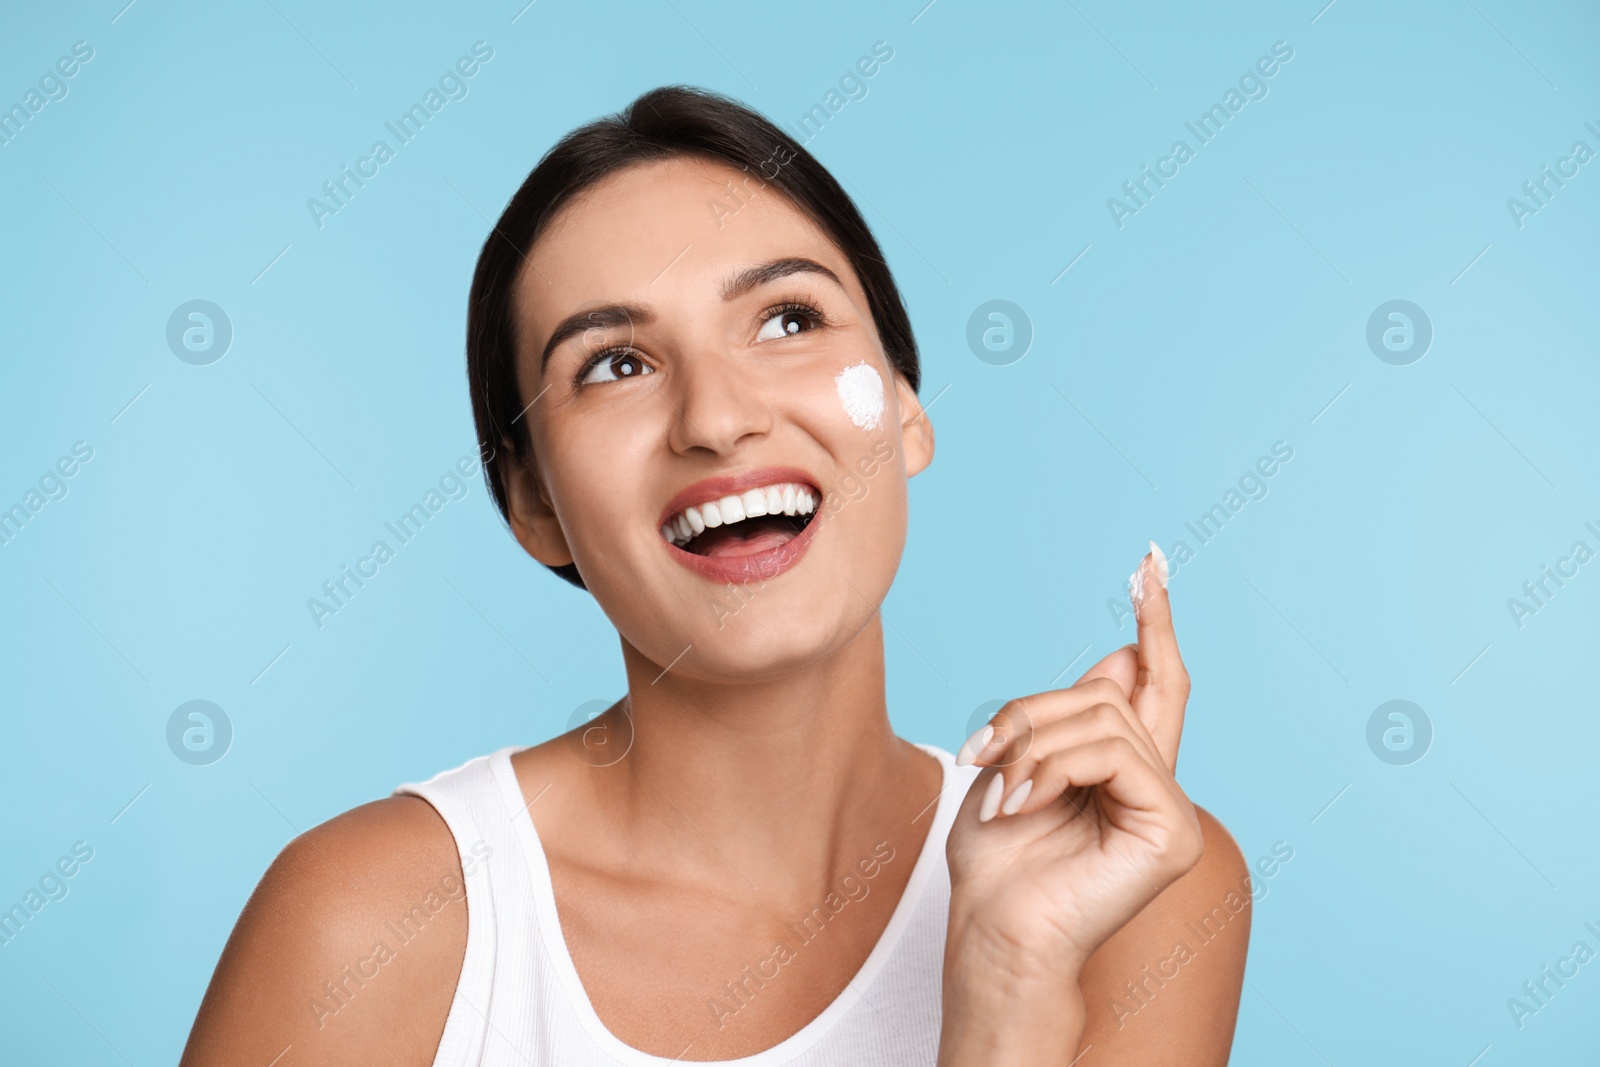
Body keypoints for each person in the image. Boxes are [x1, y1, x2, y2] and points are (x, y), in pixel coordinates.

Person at [181, 85, 1249, 1066]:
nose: (718, 416)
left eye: (788, 319)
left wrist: (1009, 982)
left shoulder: (1137, 884)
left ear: (907, 407)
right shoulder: (369, 921)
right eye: (615, 364)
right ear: (533, 505)